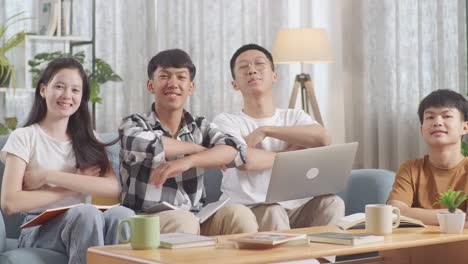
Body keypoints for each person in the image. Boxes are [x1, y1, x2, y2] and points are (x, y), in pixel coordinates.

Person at [0, 58, 134, 264]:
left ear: (82, 97)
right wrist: (72, 186)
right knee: (85, 213)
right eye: (59, 87)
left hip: (86, 224)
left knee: (122, 214)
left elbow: (112, 188)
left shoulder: (90, 139)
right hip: (38, 230)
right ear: (43, 90)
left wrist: (49, 176)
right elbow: (10, 203)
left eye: (75, 90)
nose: (67, 96)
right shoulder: (24, 137)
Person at [119, 49, 258, 235]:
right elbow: (150, 144)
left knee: (239, 214)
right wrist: (198, 149)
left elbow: (235, 150)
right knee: (184, 221)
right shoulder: (133, 123)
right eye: (164, 76)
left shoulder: (201, 127)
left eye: (181, 77)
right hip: (146, 221)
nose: (173, 83)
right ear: (150, 85)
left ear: (191, 87)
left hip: (197, 217)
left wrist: (188, 161)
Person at [213, 44, 345, 232]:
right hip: (251, 209)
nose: (252, 70)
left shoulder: (295, 116)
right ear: (234, 84)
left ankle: (319, 262)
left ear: (274, 76)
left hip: (297, 208)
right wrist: (293, 154)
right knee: (272, 210)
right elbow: (245, 160)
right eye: (243, 67)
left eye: (259, 64)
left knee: (332, 203)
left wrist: (266, 130)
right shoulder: (225, 121)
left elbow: (323, 138)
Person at [387, 89, 468, 227]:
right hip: (412, 246)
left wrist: (412, 214)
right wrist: (453, 216)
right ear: (421, 130)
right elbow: (395, 212)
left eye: (446, 116)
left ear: (464, 127)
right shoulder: (410, 169)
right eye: (430, 117)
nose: (437, 122)